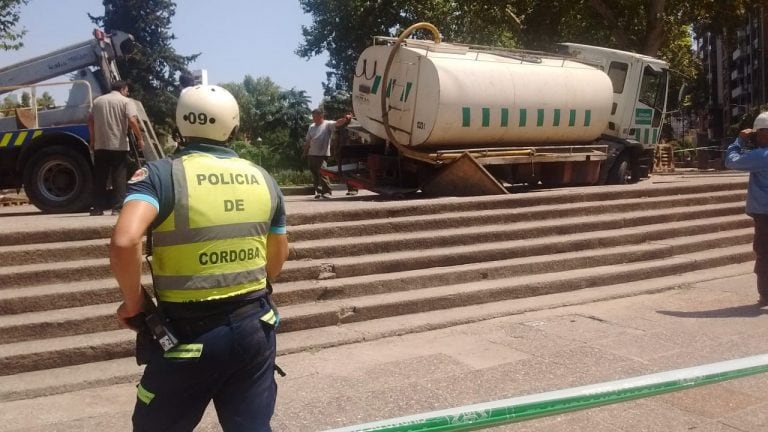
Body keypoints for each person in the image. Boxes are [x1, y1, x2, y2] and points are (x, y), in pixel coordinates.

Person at [109, 84, 289, 431]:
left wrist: (134, 303)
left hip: (187, 335)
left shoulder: (161, 176)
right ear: (233, 128)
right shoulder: (263, 179)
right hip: (255, 327)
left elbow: (124, 240)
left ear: (180, 125)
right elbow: (276, 261)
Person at [725, 111, 768, 305]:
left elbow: (731, 161)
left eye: (758, 133)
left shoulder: (761, 156)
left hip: (765, 213)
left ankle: (766, 294)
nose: (756, 137)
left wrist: (739, 141)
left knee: (764, 253)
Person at [87, 80, 144, 216]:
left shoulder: (97, 101)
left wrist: (93, 140)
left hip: (101, 144)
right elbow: (132, 120)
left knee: (100, 177)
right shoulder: (126, 101)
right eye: (127, 90)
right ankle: (118, 208)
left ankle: (97, 208)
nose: (128, 92)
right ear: (123, 89)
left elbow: (90, 121)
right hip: (118, 145)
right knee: (119, 176)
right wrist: (140, 138)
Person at [303, 108, 352, 199]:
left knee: (323, 172)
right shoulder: (312, 126)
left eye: (314, 116)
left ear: (321, 116)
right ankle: (318, 191)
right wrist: (305, 152)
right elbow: (308, 141)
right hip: (311, 153)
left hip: (322, 154)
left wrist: (346, 119)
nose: (313, 118)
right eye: (312, 116)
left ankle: (327, 191)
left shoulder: (327, 124)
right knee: (315, 173)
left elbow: (338, 123)